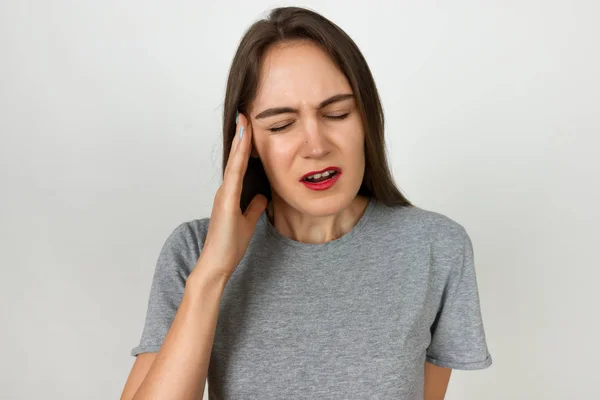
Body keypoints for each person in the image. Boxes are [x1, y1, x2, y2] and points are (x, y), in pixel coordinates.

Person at [121, 6, 492, 400]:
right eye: (281, 124)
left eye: (337, 113)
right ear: (247, 139)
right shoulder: (193, 251)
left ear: (366, 117)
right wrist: (213, 272)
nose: (316, 146)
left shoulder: (436, 247)